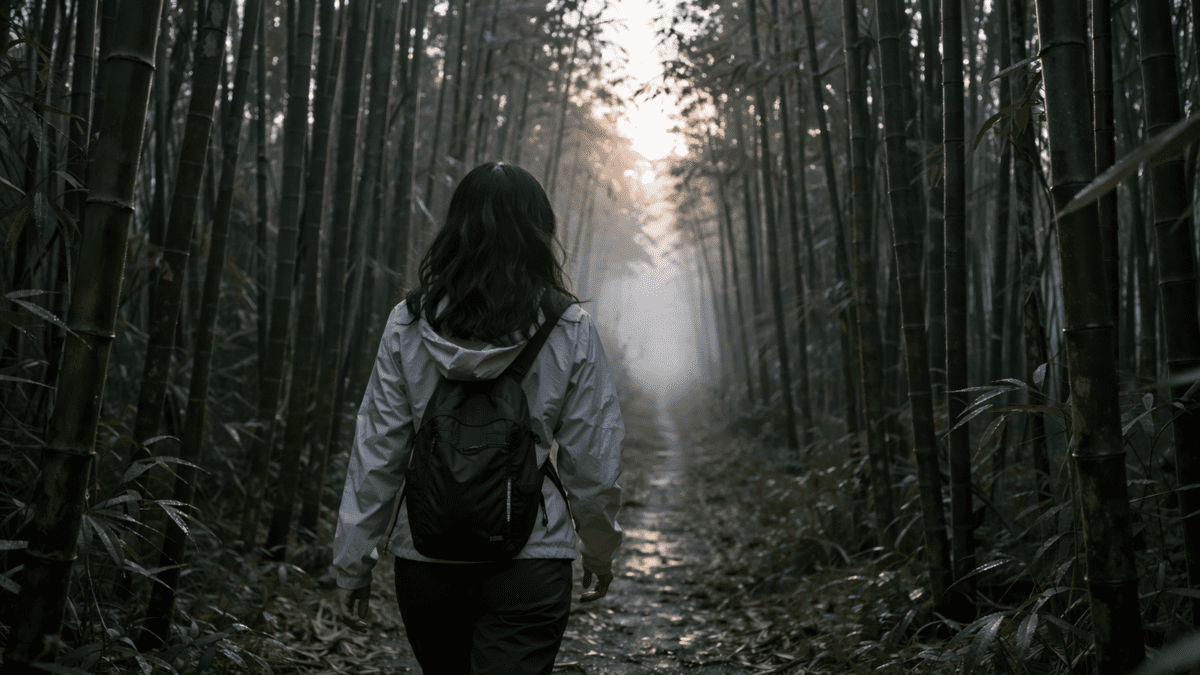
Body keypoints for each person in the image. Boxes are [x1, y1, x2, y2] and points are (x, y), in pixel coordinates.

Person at [331, 162, 625, 675]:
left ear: (454, 229)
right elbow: (593, 457)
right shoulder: (568, 326)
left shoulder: (409, 321)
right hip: (531, 560)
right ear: (540, 232)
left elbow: (377, 449)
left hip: (426, 560)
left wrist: (352, 563)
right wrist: (599, 548)